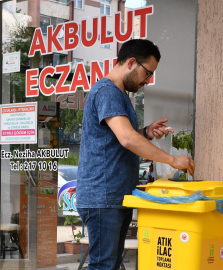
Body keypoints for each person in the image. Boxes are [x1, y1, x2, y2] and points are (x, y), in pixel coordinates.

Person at [76, 39, 195, 270]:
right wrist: (173, 160)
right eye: (147, 73)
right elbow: (127, 139)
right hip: (103, 196)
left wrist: (146, 132)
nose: (147, 80)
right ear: (131, 62)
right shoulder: (107, 91)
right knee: (104, 265)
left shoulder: (120, 95)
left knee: (111, 264)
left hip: (116, 195)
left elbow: (121, 137)